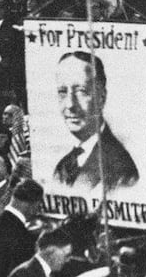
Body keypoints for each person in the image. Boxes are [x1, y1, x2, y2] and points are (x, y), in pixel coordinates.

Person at [50, 51, 139, 191]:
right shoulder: (64, 164)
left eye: (81, 91)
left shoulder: (122, 169)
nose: (70, 105)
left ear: (101, 98)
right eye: (62, 92)